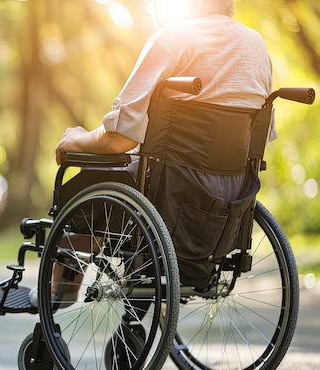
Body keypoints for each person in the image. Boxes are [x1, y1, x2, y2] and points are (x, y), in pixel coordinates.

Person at [50, 0, 275, 297]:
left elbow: (119, 139)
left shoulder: (173, 39)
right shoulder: (256, 46)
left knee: (80, 188)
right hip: (230, 201)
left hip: (170, 197)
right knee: (135, 185)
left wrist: (74, 139)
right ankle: (134, 322)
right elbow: (261, 140)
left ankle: (57, 296)